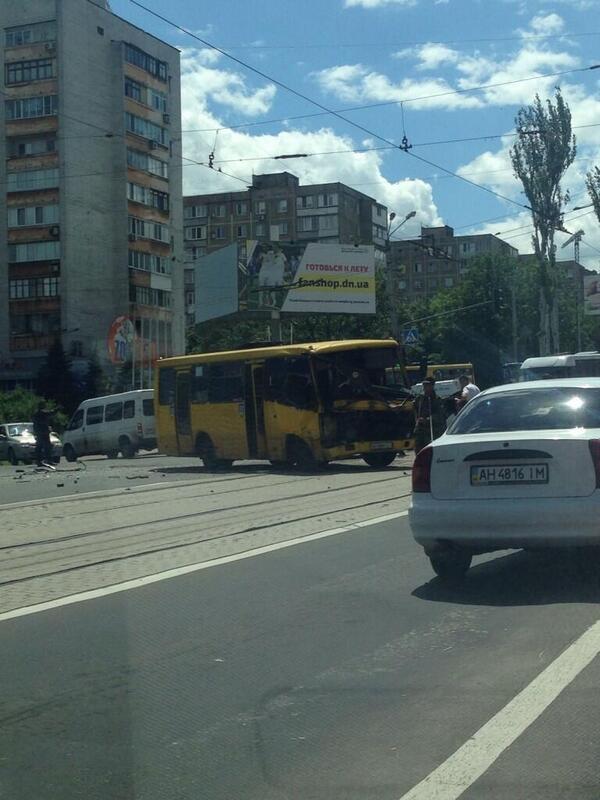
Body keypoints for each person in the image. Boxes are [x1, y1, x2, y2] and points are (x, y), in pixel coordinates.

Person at [413, 378, 447, 453]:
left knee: (431, 452)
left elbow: (440, 416)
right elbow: (415, 410)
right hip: (420, 430)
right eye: (424, 385)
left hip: (433, 430)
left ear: (432, 386)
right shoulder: (419, 399)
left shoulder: (437, 400)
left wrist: (427, 420)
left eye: (427, 385)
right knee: (419, 451)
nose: (425, 387)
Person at [32, 401, 53, 466]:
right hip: (42, 432)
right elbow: (50, 414)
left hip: (41, 432)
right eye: (43, 405)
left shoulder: (36, 414)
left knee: (42, 447)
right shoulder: (40, 413)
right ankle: (44, 461)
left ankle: (41, 461)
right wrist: (56, 410)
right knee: (44, 447)